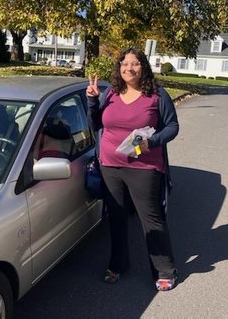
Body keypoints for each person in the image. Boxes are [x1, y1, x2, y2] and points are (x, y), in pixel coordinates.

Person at [86, 47, 180, 291]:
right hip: (110, 165)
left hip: (144, 165)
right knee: (115, 217)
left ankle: (164, 269)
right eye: (124, 63)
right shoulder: (111, 93)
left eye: (135, 63)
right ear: (119, 68)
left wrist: (153, 141)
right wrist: (92, 101)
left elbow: (172, 127)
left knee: (151, 218)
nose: (129, 68)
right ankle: (118, 264)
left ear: (143, 67)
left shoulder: (157, 95)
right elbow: (96, 124)